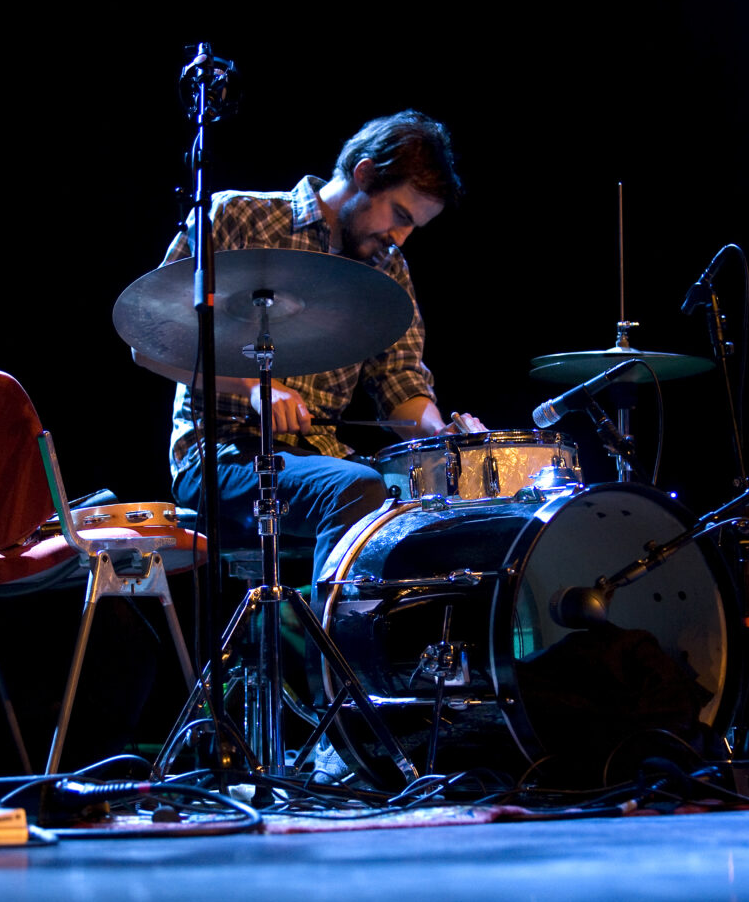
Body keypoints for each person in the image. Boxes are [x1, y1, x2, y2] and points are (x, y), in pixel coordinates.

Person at [133, 110, 486, 591]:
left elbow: (400, 379)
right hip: (220, 452)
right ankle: (327, 651)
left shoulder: (388, 267)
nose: (401, 237)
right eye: (400, 215)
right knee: (356, 488)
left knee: (428, 506)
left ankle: (310, 635)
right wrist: (254, 389)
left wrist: (440, 433)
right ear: (364, 174)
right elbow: (150, 340)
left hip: (319, 458)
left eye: (413, 227)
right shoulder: (239, 215)